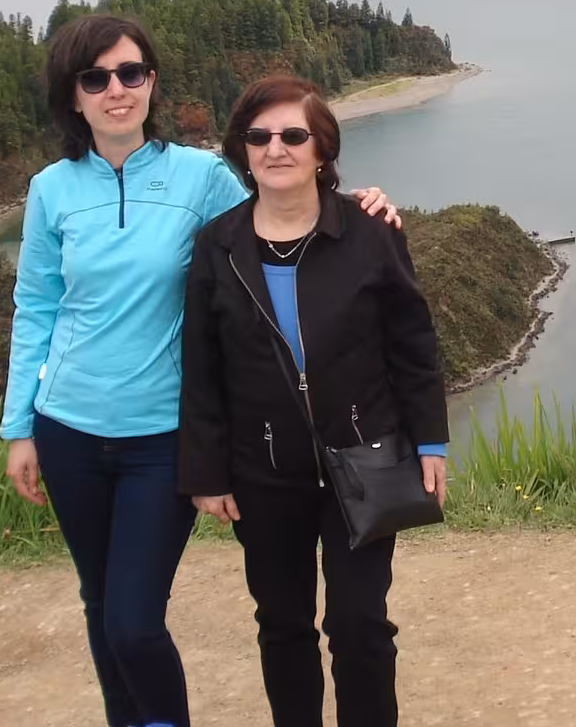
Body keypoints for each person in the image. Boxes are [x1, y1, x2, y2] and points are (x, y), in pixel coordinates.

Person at [0, 15, 401, 727]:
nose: (115, 90)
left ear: (151, 82)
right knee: (102, 604)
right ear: (73, 96)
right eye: (95, 78)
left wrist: (363, 204)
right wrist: (20, 426)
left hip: (161, 435)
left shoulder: (201, 177)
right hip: (67, 429)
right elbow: (36, 306)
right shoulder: (51, 191)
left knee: (132, 619)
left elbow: (285, 217)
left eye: (130, 73)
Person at [178, 74, 448, 727]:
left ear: (322, 150)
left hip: (367, 457)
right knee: (283, 623)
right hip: (263, 471)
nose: (276, 148)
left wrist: (431, 441)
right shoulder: (218, 247)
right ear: (242, 151)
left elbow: (412, 341)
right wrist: (206, 473)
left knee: (359, 624)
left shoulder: (370, 230)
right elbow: (203, 368)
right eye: (259, 136)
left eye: (293, 135)